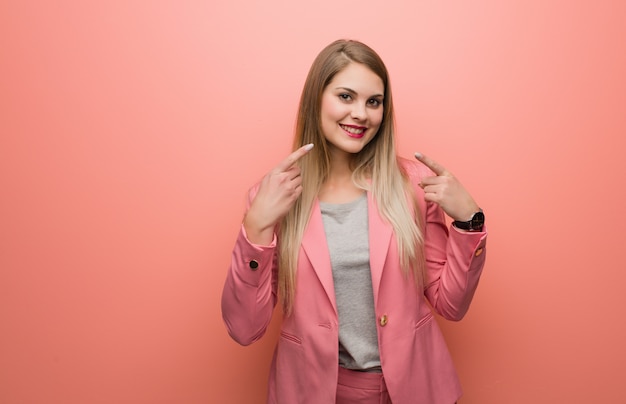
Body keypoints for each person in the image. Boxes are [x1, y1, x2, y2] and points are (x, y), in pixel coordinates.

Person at [221, 39, 487, 404]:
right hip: (314, 391)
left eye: (373, 101)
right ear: (317, 98)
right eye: (346, 97)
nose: (361, 114)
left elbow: (450, 304)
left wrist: (469, 222)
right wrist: (256, 230)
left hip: (415, 388)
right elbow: (244, 328)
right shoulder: (273, 197)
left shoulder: (411, 183)